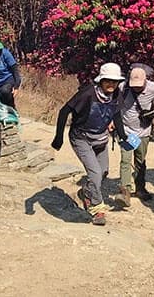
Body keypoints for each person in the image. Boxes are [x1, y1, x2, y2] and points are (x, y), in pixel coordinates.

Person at [51, 63, 123, 226]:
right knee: (95, 173)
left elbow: (116, 115)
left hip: (100, 139)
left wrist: (123, 136)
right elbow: (64, 111)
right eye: (108, 81)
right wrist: (58, 138)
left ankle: (87, 193)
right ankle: (97, 210)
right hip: (81, 138)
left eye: (115, 81)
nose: (111, 84)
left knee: (103, 172)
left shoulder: (117, 94)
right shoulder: (88, 94)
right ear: (101, 80)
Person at [116, 62, 154, 206]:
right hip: (126, 131)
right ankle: (125, 191)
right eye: (134, 84)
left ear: (145, 80)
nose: (136, 87)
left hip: (143, 131)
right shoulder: (123, 87)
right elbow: (115, 101)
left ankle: (140, 188)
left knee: (140, 161)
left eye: (139, 84)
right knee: (125, 160)